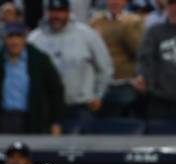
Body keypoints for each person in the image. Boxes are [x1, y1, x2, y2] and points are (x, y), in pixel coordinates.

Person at [28, 0, 113, 133]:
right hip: (46, 109)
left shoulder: (87, 34)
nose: (56, 16)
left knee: (83, 150)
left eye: (61, 12)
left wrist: (98, 94)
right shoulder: (35, 38)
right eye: (53, 12)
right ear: (47, 12)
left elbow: (105, 67)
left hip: (80, 106)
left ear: (68, 12)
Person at [0, 22, 64, 134]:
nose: (14, 41)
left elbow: (56, 91)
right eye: (10, 37)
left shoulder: (39, 60)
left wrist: (56, 122)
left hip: (32, 119)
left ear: (24, 38)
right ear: (5, 39)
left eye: (18, 36)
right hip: (4, 120)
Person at [90, 0, 144, 116]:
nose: (114, 2)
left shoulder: (134, 21)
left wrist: (127, 29)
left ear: (125, 2)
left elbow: (139, 51)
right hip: (101, 84)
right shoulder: (96, 21)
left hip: (124, 82)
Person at [137, 0, 176, 120]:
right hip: (159, 99)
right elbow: (145, 59)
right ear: (167, 7)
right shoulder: (154, 32)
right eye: (172, 5)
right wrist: (146, 81)